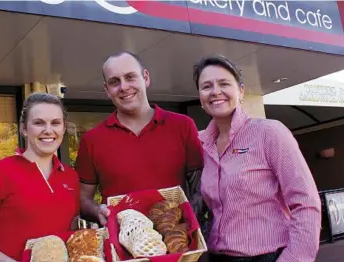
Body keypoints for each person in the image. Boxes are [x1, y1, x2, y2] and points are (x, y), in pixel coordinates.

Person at [193, 55, 322, 262]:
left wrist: (294, 258)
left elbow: (305, 202)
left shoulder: (269, 132)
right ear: (200, 97)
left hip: (268, 256)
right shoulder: (200, 143)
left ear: (241, 91)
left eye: (224, 83)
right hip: (217, 257)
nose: (215, 91)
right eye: (206, 86)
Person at [76, 51, 204, 226]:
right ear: (106, 89)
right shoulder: (91, 140)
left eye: (130, 77)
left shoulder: (183, 126)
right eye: (114, 82)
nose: (123, 87)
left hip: (177, 239)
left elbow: (202, 188)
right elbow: (82, 199)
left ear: (146, 78)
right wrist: (97, 210)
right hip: (121, 244)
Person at [0, 93, 80, 262]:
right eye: (38, 123)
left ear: (63, 128)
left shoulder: (71, 176)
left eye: (55, 123)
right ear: (24, 129)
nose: (48, 130)